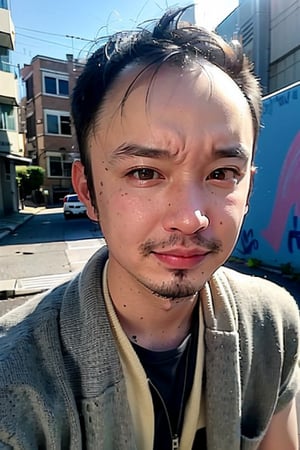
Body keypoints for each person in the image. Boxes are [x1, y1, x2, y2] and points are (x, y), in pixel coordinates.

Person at [0, 6, 299, 450]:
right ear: (87, 190)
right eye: (144, 172)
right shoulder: (15, 384)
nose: (189, 217)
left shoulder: (272, 325)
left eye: (222, 173)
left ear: (249, 186)